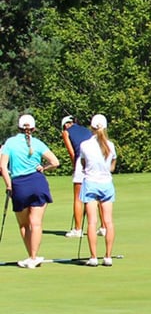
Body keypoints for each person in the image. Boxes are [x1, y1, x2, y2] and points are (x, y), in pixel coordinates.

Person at [1, 114, 60, 268]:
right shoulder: (38, 143)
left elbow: (2, 167)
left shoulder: (10, 143)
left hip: (19, 185)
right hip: (38, 183)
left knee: (24, 224)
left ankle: (31, 257)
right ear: (33, 129)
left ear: (18, 127)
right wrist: (44, 167)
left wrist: (8, 185)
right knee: (36, 223)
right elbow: (55, 162)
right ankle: (33, 258)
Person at [79, 114, 117, 267]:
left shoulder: (85, 145)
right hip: (106, 184)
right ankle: (108, 256)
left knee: (92, 222)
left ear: (91, 127)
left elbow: (83, 164)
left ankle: (93, 257)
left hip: (90, 183)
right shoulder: (110, 145)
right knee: (108, 221)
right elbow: (112, 166)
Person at [60, 114, 93, 238]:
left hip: (80, 160)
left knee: (78, 197)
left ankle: (78, 229)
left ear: (65, 125)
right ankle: (103, 228)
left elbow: (72, 153)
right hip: (93, 161)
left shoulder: (66, 132)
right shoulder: (87, 130)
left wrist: (75, 167)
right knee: (95, 195)